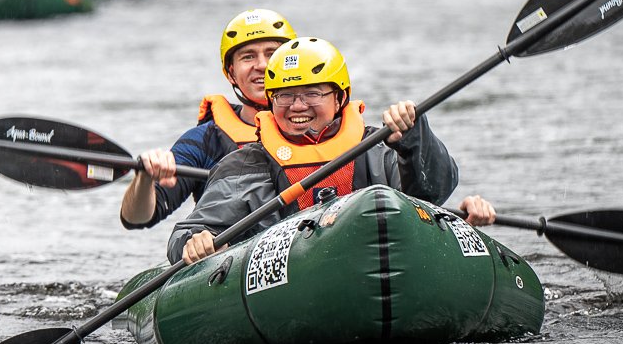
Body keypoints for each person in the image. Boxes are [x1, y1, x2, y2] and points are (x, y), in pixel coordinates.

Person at [167, 36, 496, 265]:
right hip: (292, 284)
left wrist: (415, 136)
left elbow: (432, 194)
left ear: (340, 98)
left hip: (381, 261)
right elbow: (185, 234)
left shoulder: (380, 147)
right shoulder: (245, 164)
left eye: (312, 93)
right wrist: (197, 241)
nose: (297, 106)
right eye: (284, 95)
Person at [120, 8, 298, 229]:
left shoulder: (323, 126)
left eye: (272, 53)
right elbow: (136, 219)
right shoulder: (205, 140)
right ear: (231, 72)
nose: (262, 65)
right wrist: (144, 177)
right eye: (248, 56)